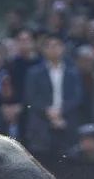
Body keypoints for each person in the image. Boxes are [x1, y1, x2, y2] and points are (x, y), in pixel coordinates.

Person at [24, 35, 82, 168]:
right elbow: (31, 98)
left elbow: (77, 97)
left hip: (66, 123)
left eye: (57, 45)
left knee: (66, 168)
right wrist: (48, 111)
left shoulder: (72, 72)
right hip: (41, 125)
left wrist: (61, 111)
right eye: (49, 46)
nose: (53, 49)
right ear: (43, 50)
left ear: (63, 48)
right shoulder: (34, 73)